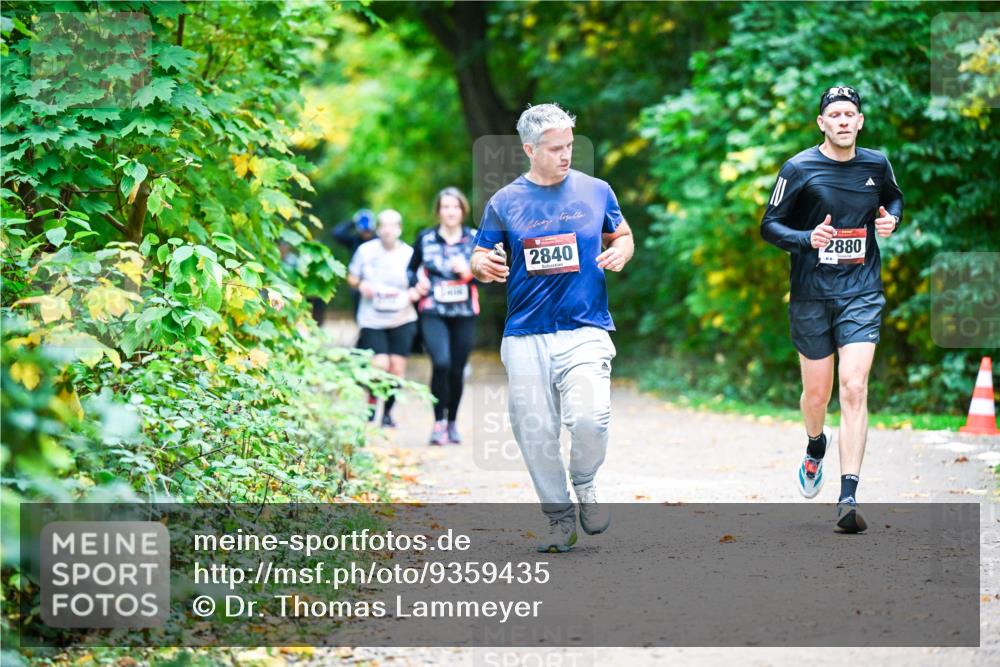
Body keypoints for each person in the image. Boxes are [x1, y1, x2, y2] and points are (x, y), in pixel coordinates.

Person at [471, 103, 634, 553]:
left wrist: (622, 249)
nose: (567, 155)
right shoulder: (504, 202)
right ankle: (559, 518)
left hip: (585, 327)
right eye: (556, 148)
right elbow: (480, 257)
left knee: (590, 418)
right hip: (525, 333)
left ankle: (585, 482)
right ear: (529, 149)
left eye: (570, 146)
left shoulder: (597, 190)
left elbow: (621, 234)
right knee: (534, 429)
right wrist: (483, 265)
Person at [760, 86, 903, 533]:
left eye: (850, 114)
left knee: (855, 387)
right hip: (811, 294)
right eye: (834, 114)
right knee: (817, 396)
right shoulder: (799, 168)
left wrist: (891, 218)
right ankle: (815, 445)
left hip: (861, 291)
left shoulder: (876, 164)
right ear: (822, 123)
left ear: (860, 122)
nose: (843, 120)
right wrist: (807, 240)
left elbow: (893, 198)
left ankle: (848, 495)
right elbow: (769, 226)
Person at [407, 187, 480, 446]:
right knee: (441, 363)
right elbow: (410, 270)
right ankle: (438, 422)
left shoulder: (475, 238)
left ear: (463, 210)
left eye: (455, 207)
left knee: (457, 370)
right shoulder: (425, 238)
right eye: (445, 207)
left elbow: (490, 276)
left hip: (464, 312)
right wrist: (416, 285)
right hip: (433, 310)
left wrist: (470, 272)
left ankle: (452, 423)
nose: (450, 211)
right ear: (438, 211)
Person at [347, 209, 419, 428]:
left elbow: (421, 281)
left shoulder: (409, 254)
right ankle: (371, 403)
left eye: (393, 225)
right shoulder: (365, 251)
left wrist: (416, 292)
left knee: (396, 368)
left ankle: (387, 413)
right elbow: (351, 277)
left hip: (402, 317)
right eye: (384, 225)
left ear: (399, 229)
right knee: (379, 365)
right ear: (378, 228)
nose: (388, 229)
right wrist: (361, 285)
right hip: (372, 318)